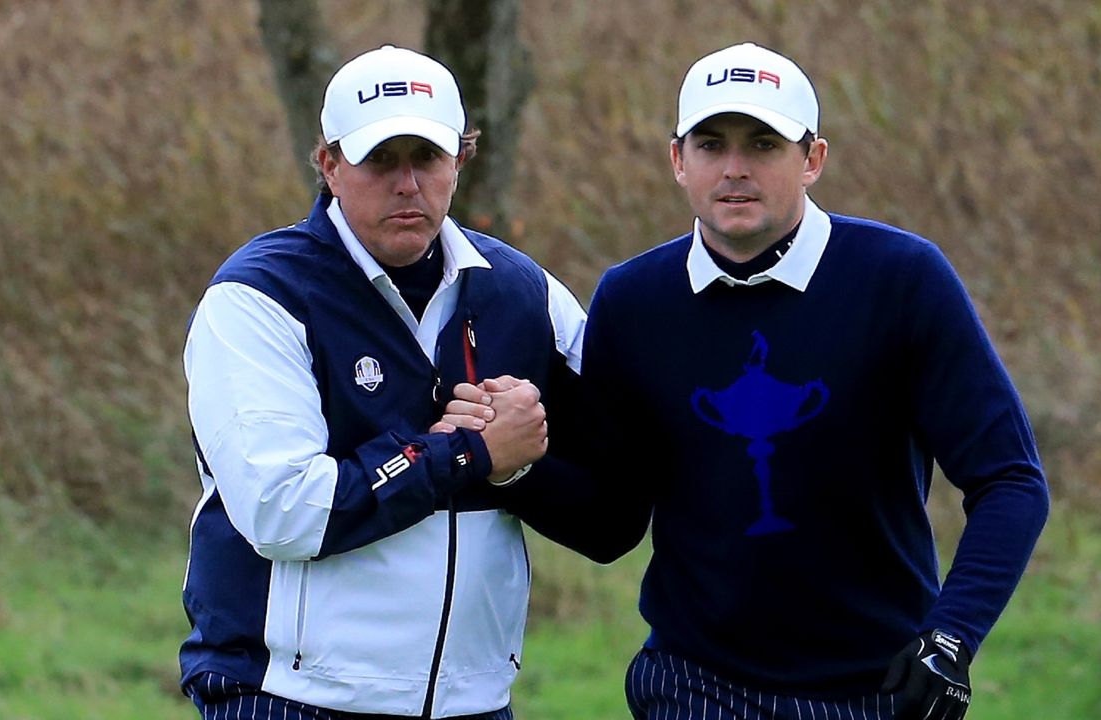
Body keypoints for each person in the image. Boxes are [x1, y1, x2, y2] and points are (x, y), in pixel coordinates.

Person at [450, 41, 1050, 720]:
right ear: (678, 160)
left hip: (879, 690)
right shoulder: (634, 300)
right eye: (711, 145)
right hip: (694, 686)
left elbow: (1009, 480)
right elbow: (612, 524)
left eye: (763, 144)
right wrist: (508, 467)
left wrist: (952, 637)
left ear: (813, 159)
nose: (735, 169)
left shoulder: (902, 279)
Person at [178, 45, 586, 719]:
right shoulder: (259, 296)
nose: (407, 184)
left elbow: (610, 494)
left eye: (425, 158)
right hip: (287, 696)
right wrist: (466, 452)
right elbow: (284, 510)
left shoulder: (525, 293)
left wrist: (519, 466)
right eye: (380, 160)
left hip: (474, 702)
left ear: (459, 160)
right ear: (330, 164)